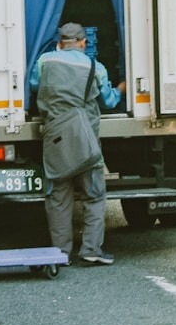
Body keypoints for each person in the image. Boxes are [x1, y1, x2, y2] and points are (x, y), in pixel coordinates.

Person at [28, 22, 124, 266]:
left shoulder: (44, 61)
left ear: (60, 43)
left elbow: (34, 85)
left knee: (58, 197)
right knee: (94, 195)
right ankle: (91, 249)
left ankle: (60, 253)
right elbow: (109, 101)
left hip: (55, 137)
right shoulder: (95, 67)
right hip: (86, 140)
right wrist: (121, 89)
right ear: (83, 43)